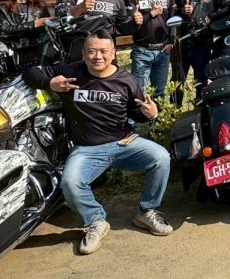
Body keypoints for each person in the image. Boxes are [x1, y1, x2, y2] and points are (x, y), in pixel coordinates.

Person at [23, 31, 172, 255]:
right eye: (91, 51)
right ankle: (95, 221)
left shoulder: (126, 80)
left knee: (161, 157)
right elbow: (30, 72)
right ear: (83, 53)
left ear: (114, 54)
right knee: (70, 182)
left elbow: (137, 112)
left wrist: (149, 114)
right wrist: (49, 83)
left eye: (103, 51)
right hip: (86, 149)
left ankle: (146, 212)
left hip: (123, 142)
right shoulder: (70, 72)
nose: (97, 57)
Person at [173, 0, 230, 85]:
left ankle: (199, 105)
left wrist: (211, 17)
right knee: (176, 82)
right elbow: (171, 14)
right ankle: (175, 105)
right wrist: (182, 11)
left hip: (203, 44)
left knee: (200, 80)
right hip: (181, 44)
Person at [124, 0, 175, 99]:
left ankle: (157, 119)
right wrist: (150, 14)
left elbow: (173, 22)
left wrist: (171, 42)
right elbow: (129, 24)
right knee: (138, 90)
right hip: (142, 49)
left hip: (163, 50)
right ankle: (136, 121)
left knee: (159, 91)